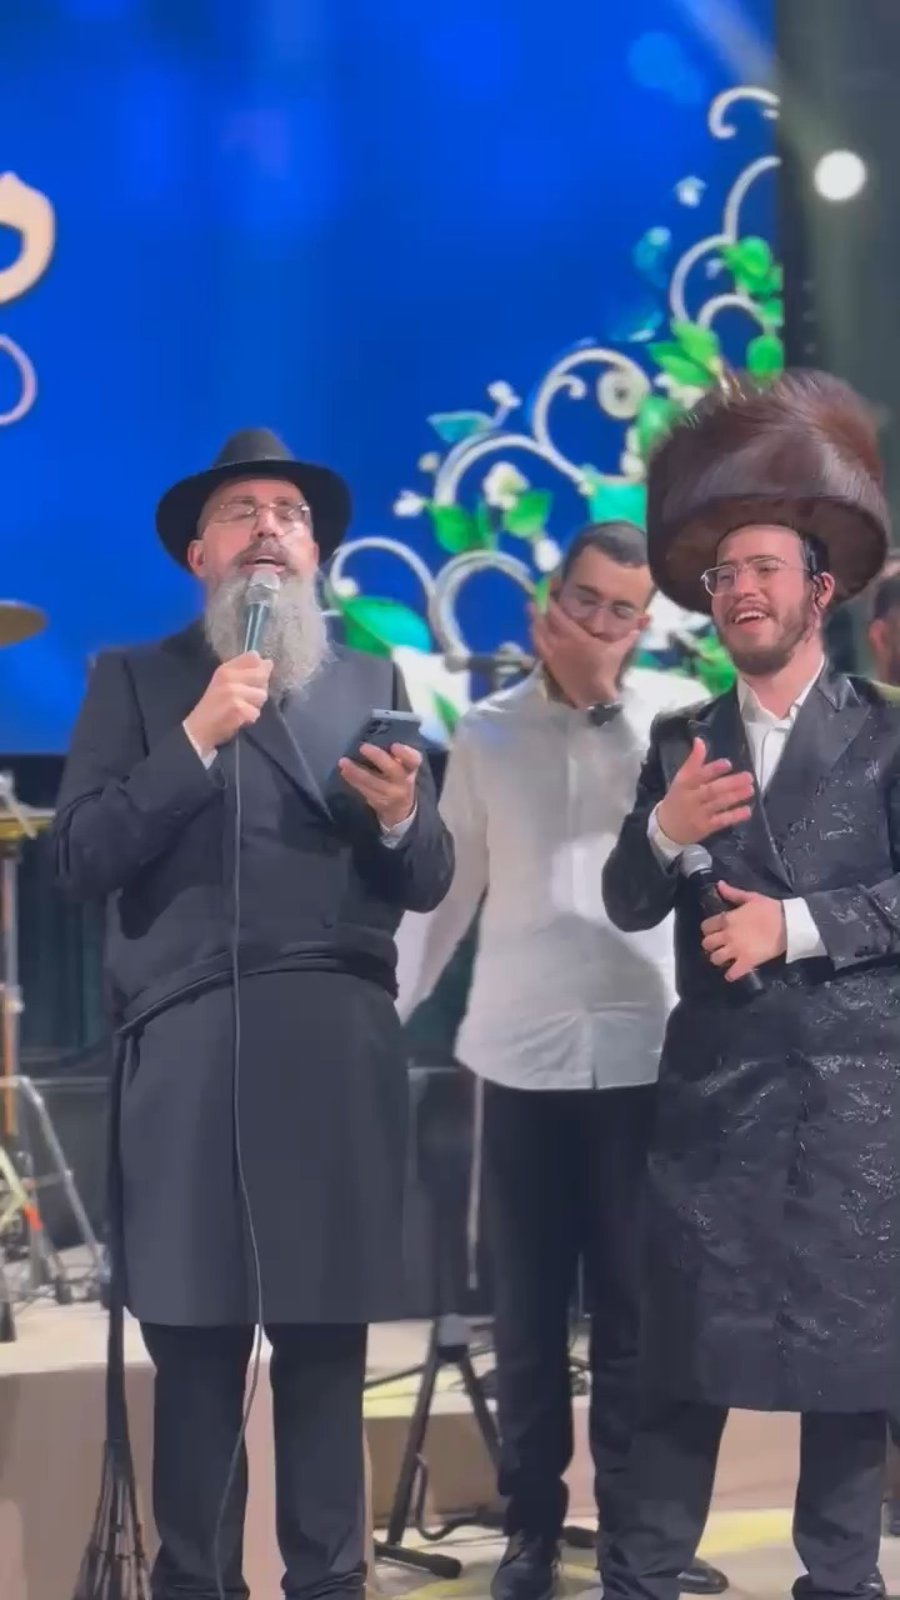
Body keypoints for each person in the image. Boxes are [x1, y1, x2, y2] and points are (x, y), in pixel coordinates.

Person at [53, 429, 454, 1600]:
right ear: (199, 554)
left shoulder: (372, 683)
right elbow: (78, 858)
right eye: (243, 512)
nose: (271, 527)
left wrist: (399, 816)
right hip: (193, 1052)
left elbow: (426, 875)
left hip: (334, 1049)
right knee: (198, 1356)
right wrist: (193, 741)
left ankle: (328, 1581)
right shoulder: (137, 679)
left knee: (327, 1352)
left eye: (291, 513)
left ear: (316, 552)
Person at [600, 370, 899, 1600]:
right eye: (724, 574)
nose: (741, 589)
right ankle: (641, 1579)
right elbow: (629, 898)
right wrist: (663, 829)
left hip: (857, 1112)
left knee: (852, 1382)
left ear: (820, 589)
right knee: (679, 1372)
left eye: (766, 567)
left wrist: (799, 924)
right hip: (716, 1110)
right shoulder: (682, 739)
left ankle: (842, 1583)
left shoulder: (887, 734)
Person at [399, 522, 728, 1600]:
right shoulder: (487, 732)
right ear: (551, 598)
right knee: (529, 1318)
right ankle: (530, 1531)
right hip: (519, 1058)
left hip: (647, 1052)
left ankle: (640, 1543)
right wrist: (382, 1012)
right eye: (583, 599)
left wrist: (605, 706)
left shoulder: (679, 722)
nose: (597, 623)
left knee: (638, 1317)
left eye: (620, 610)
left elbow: (706, 868)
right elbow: (445, 895)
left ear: (647, 622)